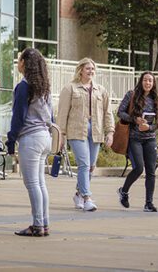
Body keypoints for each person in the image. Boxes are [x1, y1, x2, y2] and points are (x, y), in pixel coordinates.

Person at [56, 57, 113, 212]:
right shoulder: (70, 88)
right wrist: (60, 135)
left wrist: (110, 132)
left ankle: (78, 194)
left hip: (96, 131)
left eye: (93, 69)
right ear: (80, 70)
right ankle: (87, 198)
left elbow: (108, 113)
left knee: (91, 166)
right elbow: (62, 114)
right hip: (76, 130)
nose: (91, 71)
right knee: (84, 164)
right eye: (88, 68)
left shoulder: (100, 90)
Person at [7, 47, 53, 237]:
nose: (18, 63)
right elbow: (52, 115)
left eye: (19, 60)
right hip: (44, 136)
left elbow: (18, 116)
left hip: (31, 138)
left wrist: (11, 140)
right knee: (40, 183)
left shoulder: (24, 86)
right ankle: (44, 223)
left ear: (24, 63)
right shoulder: (44, 86)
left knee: (32, 183)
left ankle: (37, 225)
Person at [117, 71, 158, 212]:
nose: (147, 83)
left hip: (150, 139)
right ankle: (124, 191)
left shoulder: (156, 100)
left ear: (153, 84)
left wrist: (149, 126)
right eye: (145, 80)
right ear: (141, 81)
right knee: (139, 168)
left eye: (150, 81)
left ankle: (148, 203)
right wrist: (135, 119)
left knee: (151, 171)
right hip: (135, 139)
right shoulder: (131, 95)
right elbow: (120, 112)